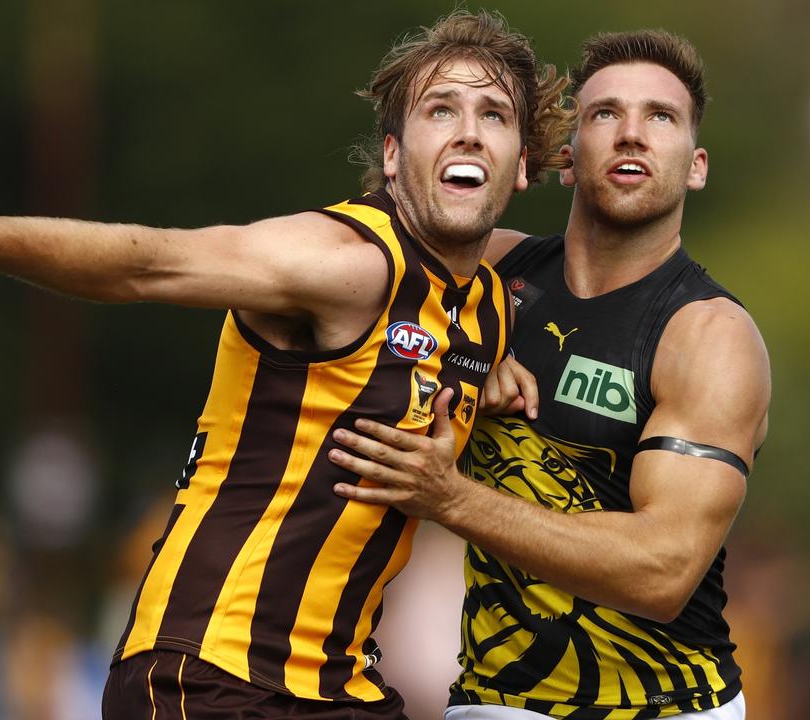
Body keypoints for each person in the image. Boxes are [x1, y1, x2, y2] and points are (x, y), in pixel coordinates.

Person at [0, 11, 573, 719]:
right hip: (211, 674)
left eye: (494, 116)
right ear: (396, 157)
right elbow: (151, 263)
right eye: (442, 110)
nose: (468, 133)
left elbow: (488, 325)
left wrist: (493, 374)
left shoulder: (488, 307)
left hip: (339, 688)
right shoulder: (342, 261)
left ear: (523, 167)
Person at [327, 30, 771, 719]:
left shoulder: (709, 336)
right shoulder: (484, 279)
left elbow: (663, 571)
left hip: (667, 708)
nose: (631, 134)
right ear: (564, 160)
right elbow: (349, 259)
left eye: (661, 117)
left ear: (696, 165)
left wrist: (450, 499)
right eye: (605, 115)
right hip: (492, 701)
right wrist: (464, 343)